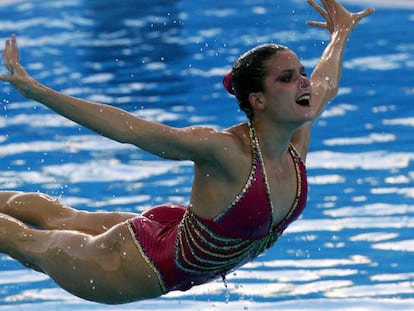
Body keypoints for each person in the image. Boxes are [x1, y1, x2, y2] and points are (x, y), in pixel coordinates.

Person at [0, 0, 373, 305]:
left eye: (300, 72)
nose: (304, 82)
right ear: (257, 100)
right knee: (26, 243)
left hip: (167, 231)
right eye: (287, 77)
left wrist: (340, 31)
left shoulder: (295, 141)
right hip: (121, 269)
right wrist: (38, 92)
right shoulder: (225, 151)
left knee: (59, 216)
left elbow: (326, 81)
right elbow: (131, 130)